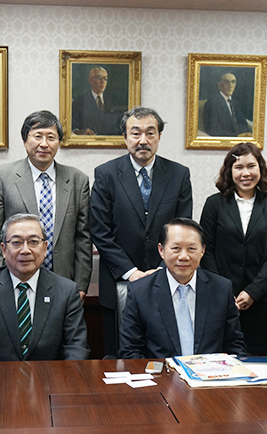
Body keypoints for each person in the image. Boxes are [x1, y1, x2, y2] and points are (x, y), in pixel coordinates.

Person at [90, 106, 193, 357]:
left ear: (159, 136)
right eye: (135, 133)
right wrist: (132, 273)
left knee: (164, 357)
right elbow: (100, 230)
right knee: (119, 358)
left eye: (150, 133)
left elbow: (182, 227)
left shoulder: (179, 174)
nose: (143, 140)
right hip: (118, 281)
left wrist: (160, 269)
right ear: (125, 138)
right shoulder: (106, 174)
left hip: (167, 280)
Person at [0, 213, 89, 361]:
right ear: (3, 249)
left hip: (49, 381)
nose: (25, 250)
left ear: (45, 248)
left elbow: (77, 349)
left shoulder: (66, 291)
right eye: (16, 243)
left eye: (33, 242)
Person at [0, 110, 91, 299]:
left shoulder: (77, 180)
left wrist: (81, 285)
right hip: (15, 281)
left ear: (59, 142)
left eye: (51, 137)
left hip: (63, 283)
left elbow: (83, 238)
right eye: (37, 136)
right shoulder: (2, 177)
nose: (44, 144)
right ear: (25, 141)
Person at [199, 142, 267, 356]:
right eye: (239, 167)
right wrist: (224, 290)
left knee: (258, 359)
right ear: (230, 171)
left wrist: (253, 292)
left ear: (260, 169)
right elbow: (205, 249)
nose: (245, 173)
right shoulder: (214, 204)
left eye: (251, 166)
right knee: (220, 357)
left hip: (260, 299)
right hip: (220, 298)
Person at [119, 218, 246, 359]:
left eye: (192, 248)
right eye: (176, 248)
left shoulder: (222, 289)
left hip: (209, 377)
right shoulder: (140, 292)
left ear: (202, 251)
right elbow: (130, 351)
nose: (184, 256)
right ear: (161, 250)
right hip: (162, 377)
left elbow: (234, 345)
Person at [71, 66, 122, 135]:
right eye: (99, 78)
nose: (102, 81)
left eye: (105, 78)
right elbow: (72, 126)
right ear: (90, 80)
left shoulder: (114, 100)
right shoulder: (79, 101)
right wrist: (81, 131)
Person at [203, 72, 252, 137]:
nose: (230, 85)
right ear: (219, 85)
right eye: (227, 82)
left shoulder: (235, 102)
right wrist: (236, 136)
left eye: (233, 82)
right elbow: (213, 130)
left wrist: (246, 133)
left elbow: (243, 123)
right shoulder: (212, 103)